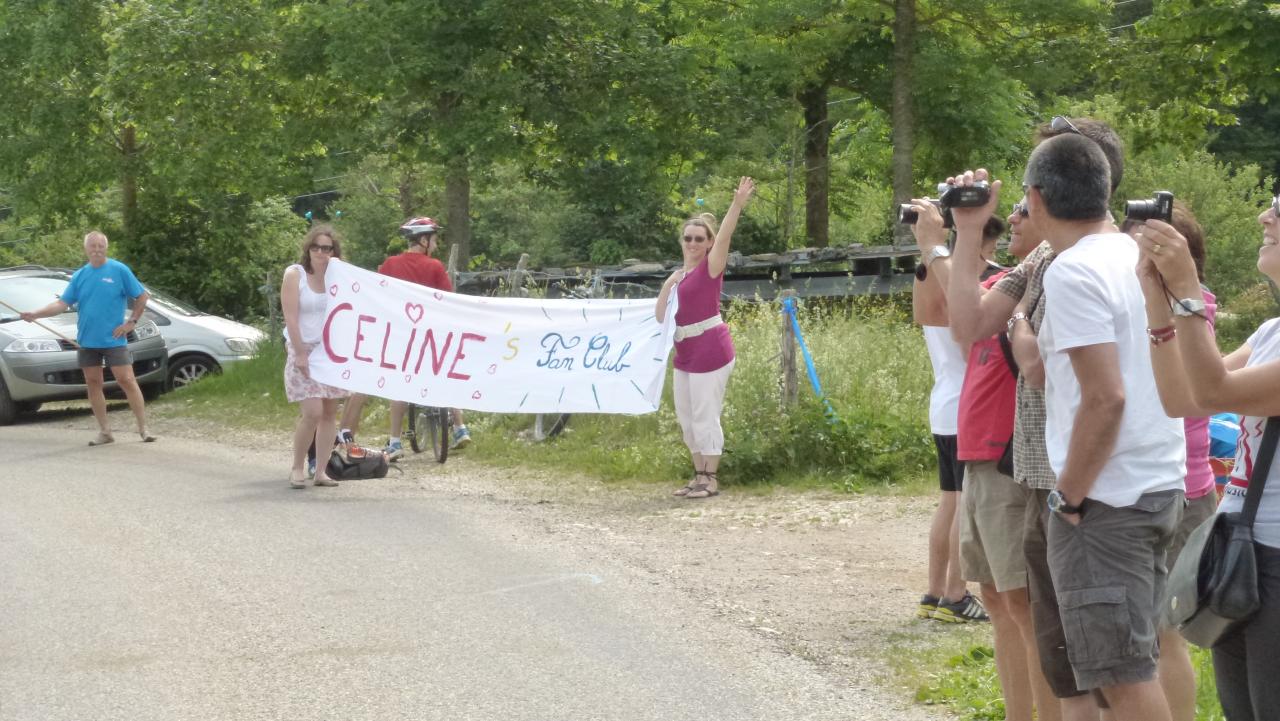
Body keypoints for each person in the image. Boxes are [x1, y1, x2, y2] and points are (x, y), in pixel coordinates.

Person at [938, 116, 1125, 721]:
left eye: (1038, 172)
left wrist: (1023, 331)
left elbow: (1053, 371)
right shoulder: (1044, 257)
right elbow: (969, 326)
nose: (1023, 197)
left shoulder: (1110, 256)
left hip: (1087, 478)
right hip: (1040, 468)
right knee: (1049, 636)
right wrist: (967, 233)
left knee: (1105, 657)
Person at [1019, 132, 1185, 721]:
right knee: (1138, 660)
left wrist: (1067, 496)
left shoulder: (1072, 272)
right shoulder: (1135, 255)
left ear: (1035, 199)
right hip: (1159, 482)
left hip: (1105, 500)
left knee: (1121, 679)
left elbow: (1104, 398)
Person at [1136, 193, 1280, 721]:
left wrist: (1189, 292)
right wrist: (1159, 297)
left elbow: (1214, 389)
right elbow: (1184, 400)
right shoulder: (1270, 333)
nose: (1264, 217)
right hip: (1244, 554)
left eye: (1279, 209)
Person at [1122, 202, 1215, 721]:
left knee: (1165, 632)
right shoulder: (1173, 303)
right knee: (1156, 632)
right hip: (1177, 481)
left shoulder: (1192, 306)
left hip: (1186, 484)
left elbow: (1194, 390)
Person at [908, 203, 990, 625]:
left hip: (942, 402)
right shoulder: (957, 283)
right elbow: (969, 346)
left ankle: (935, 589)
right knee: (962, 504)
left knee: (948, 502)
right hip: (963, 403)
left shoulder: (925, 276)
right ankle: (956, 595)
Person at [335, 216, 471, 459]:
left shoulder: (390, 264)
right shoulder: (435, 267)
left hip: (401, 335)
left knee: (399, 384)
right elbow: (447, 299)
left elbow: (379, 295)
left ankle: (396, 442)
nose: (437, 243)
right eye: (434, 238)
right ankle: (460, 428)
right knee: (442, 374)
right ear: (423, 239)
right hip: (430, 334)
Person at [656, 176, 754, 499]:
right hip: (685, 350)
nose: (693, 243)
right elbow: (661, 317)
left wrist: (736, 205)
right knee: (686, 415)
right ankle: (697, 475)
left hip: (711, 348)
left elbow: (725, 236)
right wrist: (668, 284)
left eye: (700, 238)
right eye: (688, 238)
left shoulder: (710, 269)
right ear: (682, 241)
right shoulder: (679, 276)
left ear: (708, 243)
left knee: (704, 413)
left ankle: (710, 479)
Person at [20, 231, 156, 445]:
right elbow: (62, 304)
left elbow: (142, 295)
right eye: (92, 245)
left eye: (100, 245)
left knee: (127, 380)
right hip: (87, 341)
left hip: (114, 340)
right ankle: (105, 432)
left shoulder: (119, 270)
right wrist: (35, 314)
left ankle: (143, 429)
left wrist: (131, 322)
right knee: (93, 383)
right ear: (86, 249)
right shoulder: (80, 276)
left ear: (106, 247)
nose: (96, 249)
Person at [282, 225, 348, 489]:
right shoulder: (295, 274)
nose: (321, 252)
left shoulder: (337, 278)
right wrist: (299, 352)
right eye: (316, 247)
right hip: (304, 348)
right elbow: (290, 316)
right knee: (312, 411)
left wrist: (342, 271)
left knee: (330, 412)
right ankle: (298, 467)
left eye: (327, 248)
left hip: (331, 350)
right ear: (308, 249)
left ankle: (321, 470)